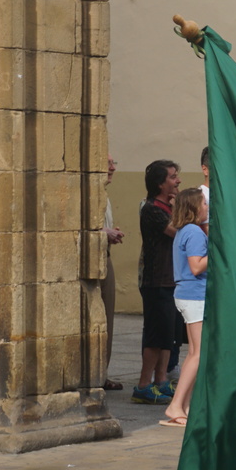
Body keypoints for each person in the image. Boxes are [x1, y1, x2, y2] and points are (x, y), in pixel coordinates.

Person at [135, 159, 183, 406]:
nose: (178, 181)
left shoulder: (168, 207)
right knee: (155, 334)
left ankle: (161, 380)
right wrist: (182, 209)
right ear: (159, 183)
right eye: (173, 177)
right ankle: (144, 385)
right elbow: (178, 232)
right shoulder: (152, 209)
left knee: (169, 334)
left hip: (171, 280)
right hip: (156, 281)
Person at [161, 188, 208, 428]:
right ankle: (176, 404)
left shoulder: (184, 231)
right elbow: (196, 266)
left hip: (187, 295)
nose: (207, 207)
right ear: (194, 208)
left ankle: (186, 406)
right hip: (195, 296)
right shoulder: (194, 232)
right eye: (204, 203)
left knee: (194, 353)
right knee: (198, 354)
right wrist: (219, 249)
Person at [100, 155, 124, 391]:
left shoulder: (104, 196)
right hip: (94, 258)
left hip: (104, 256)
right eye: (108, 163)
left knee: (107, 319)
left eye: (113, 163)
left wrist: (109, 233)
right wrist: (104, 233)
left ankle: (101, 373)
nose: (113, 168)